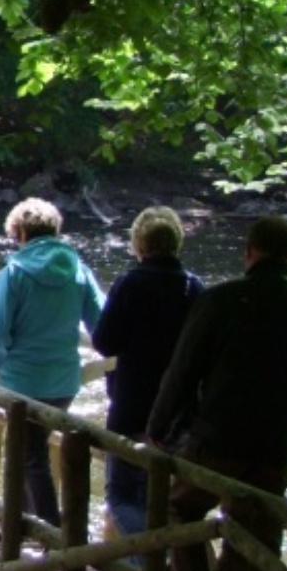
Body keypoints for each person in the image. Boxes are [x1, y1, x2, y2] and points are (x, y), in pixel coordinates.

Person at [147, 215, 287, 571]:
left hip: (215, 439)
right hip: (273, 445)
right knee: (260, 539)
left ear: (248, 251)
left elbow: (182, 370)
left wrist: (157, 427)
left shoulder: (221, 300)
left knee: (178, 510)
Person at [0, 198, 104, 526]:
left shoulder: (15, 272)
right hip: (64, 381)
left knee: (29, 454)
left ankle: (51, 531)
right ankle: (16, 525)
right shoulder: (78, 269)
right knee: (29, 450)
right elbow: (101, 322)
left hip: (21, 379)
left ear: (20, 232)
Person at [92, 206, 204, 537]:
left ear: (139, 243)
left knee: (122, 496)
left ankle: (151, 568)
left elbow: (104, 342)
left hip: (131, 404)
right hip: (178, 410)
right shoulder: (194, 288)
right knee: (162, 497)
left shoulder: (129, 284)